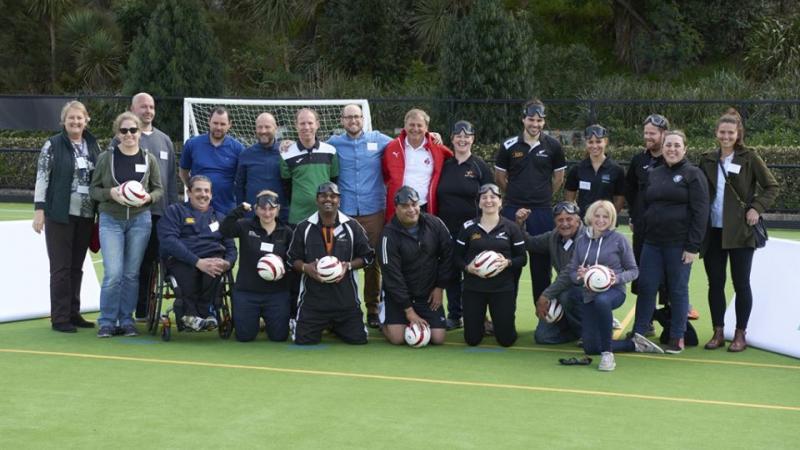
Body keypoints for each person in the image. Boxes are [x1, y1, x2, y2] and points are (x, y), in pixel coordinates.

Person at [699, 109, 779, 352]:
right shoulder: (707, 159)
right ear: (716, 133)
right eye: (722, 132)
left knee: (741, 283)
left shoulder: (750, 157)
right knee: (715, 283)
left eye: (730, 132)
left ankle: (740, 334)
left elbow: (771, 187)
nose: (726, 136)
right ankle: (718, 331)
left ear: (738, 133)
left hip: (741, 232)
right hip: (712, 231)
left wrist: (756, 208)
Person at [633, 131, 709, 354]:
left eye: (677, 145)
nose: (672, 149)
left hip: (679, 245)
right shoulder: (655, 174)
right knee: (646, 287)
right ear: (663, 147)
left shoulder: (693, 174)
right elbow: (647, 206)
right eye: (668, 145)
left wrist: (693, 246)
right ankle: (639, 334)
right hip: (652, 243)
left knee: (677, 290)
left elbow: (701, 212)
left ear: (685, 148)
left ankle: (677, 336)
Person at [90, 112, 163, 338]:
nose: (129, 134)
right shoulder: (106, 158)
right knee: (113, 273)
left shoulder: (148, 158)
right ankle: (107, 321)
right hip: (111, 219)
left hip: (140, 221)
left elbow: (158, 189)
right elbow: (93, 190)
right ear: (117, 134)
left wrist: (148, 198)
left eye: (133, 130)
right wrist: (110, 192)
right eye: (124, 131)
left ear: (140, 133)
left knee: (131, 274)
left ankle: (126, 319)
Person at [565, 200, 661, 372]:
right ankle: (634, 344)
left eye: (606, 216)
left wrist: (613, 278)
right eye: (597, 215)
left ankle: (608, 355)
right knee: (590, 348)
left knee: (602, 301)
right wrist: (581, 276)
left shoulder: (619, 240)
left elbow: (633, 271)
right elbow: (572, 272)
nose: (601, 220)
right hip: (589, 294)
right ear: (590, 217)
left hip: (614, 291)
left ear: (611, 219)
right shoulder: (581, 241)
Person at [109, 92, 179, 322]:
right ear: (132, 109)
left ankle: (145, 310)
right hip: (131, 214)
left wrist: (173, 211)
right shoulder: (123, 138)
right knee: (129, 266)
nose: (148, 110)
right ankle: (123, 312)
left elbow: (169, 181)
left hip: (159, 213)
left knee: (151, 263)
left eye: (151, 106)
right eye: (143, 107)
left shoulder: (165, 140)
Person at [33, 100, 102, 333]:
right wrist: (39, 211)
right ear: (64, 121)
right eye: (71, 118)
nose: (75, 122)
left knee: (76, 267)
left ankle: (74, 312)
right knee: (61, 268)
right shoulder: (52, 145)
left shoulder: (93, 145)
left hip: (85, 215)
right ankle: (60, 317)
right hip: (59, 214)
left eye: (79, 118)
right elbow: (43, 177)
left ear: (86, 120)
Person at [495, 99, 566, 306]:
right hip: (512, 209)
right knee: (509, 263)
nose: (535, 124)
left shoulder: (553, 145)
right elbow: (500, 178)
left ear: (544, 122)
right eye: (531, 119)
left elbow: (559, 178)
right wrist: (515, 196)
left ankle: (543, 314)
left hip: (542, 212)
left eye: (539, 120)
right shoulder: (508, 145)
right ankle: (506, 313)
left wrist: (542, 197)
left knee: (541, 266)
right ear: (523, 119)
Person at [327, 104, 393, 328]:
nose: (353, 120)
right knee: (343, 260)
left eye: (356, 116)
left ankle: (373, 309)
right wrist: (286, 144)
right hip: (344, 212)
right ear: (342, 120)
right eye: (348, 117)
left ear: (363, 118)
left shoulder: (380, 139)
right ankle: (345, 307)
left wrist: (432, 136)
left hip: (373, 210)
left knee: (372, 260)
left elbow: (405, 144)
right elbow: (311, 146)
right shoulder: (333, 143)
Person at [288, 182, 374, 345]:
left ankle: (335, 325)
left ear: (339, 200)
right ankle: (316, 323)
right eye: (323, 196)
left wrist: (346, 266)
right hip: (313, 302)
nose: (328, 199)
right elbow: (292, 259)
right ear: (317, 200)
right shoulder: (303, 227)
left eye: (333, 196)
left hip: (345, 302)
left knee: (359, 340)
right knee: (303, 340)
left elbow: (368, 256)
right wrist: (307, 268)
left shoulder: (352, 226)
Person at [625, 114, 689, 326]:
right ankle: (647, 322)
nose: (648, 137)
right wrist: (634, 216)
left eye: (652, 133)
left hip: (670, 234)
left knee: (671, 283)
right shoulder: (638, 160)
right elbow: (631, 191)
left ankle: (672, 323)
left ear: (664, 134)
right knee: (644, 279)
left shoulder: (673, 160)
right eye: (646, 133)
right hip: (644, 230)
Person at [158, 175, 238, 332]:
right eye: (198, 190)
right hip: (183, 258)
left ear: (211, 194)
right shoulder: (175, 211)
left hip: (212, 258)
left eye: (207, 191)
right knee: (189, 270)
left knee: (214, 268)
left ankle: (202, 314)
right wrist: (197, 262)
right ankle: (190, 314)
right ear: (189, 192)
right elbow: (168, 240)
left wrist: (227, 263)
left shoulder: (220, 218)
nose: (203, 194)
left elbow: (231, 248)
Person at [435, 120, 493, 330]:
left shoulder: (479, 166)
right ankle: (455, 315)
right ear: (452, 138)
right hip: (446, 229)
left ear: (472, 139)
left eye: (466, 136)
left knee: (475, 272)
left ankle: (480, 316)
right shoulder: (444, 163)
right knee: (451, 273)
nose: (462, 139)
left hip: (472, 231)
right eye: (458, 136)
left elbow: (491, 197)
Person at [378, 186, 453, 346]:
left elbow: (448, 254)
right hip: (398, 297)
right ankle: (383, 319)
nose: (411, 210)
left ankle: (412, 318)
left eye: (414, 205)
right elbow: (392, 276)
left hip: (427, 294)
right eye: (405, 206)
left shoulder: (435, 224)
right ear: (396, 208)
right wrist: (409, 311)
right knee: (397, 339)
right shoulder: (387, 236)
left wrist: (440, 287)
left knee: (438, 338)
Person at [454, 184, 527, 347]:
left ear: (500, 202)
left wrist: (507, 262)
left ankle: (500, 324)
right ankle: (482, 323)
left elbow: (522, 259)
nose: (489, 201)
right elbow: (456, 257)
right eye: (484, 197)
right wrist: (468, 268)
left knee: (506, 340)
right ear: (479, 203)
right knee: (472, 340)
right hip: (474, 288)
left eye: (493, 197)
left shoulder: (511, 228)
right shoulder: (468, 227)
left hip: (502, 289)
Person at [221, 191, 293, 342]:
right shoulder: (245, 226)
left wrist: (282, 269)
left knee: (279, 337)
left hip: (276, 293)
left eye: (271, 208)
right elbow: (225, 230)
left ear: (278, 209)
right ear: (256, 209)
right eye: (263, 208)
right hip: (247, 292)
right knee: (245, 337)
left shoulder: (286, 232)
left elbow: (293, 260)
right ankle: (254, 320)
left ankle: (268, 319)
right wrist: (239, 210)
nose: (267, 213)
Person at [516, 202, 584, 344]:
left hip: (585, 292)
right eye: (560, 220)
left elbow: (569, 273)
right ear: (554, 222)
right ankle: (576, 331)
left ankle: (589, 331)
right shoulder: (553, 237)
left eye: (569, 219)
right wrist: (520, 224)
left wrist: (545, 296)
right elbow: (529, 243)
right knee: (543, 337)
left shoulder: (586, 239)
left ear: (578, 220)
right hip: (562, 290)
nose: (564, 224)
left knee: (567, 296)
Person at [382, 108, 453, 222]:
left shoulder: (437, 148)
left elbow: (454, 160)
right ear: (405, 126)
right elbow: (385, 174)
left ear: (426, 128)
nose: (415, 129)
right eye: (411, 125)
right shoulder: (392, 147)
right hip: (400, 208)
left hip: (425, 207)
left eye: (419, 125)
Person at [179, 106, 245, 215]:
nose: (218, 127)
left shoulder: (238, 148)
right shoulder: (192, 144)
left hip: (226, 208)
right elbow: (183, 172)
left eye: (222, 124)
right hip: (198, 207)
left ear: (230, 124)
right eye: (215, 123)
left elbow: (243, 178)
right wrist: (194, 189)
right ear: (209, 122)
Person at [280, 108, 339, 225]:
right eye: (302, 123)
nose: (306, 127)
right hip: (298, 217)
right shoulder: (286, 154)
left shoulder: (330, 151)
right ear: (296, 125)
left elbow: (334, 181)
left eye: (310, 123)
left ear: (317, 124)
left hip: (325, 216)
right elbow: (287, 187)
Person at [235, 112, 289, 222]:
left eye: (267, 127)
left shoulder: (286, 152)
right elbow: (239, 187)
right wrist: (241, 213)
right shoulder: (246, 154)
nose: (263, 131)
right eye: (260, 127)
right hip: (252, 218)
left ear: (275, 128)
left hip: (281, 217)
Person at [564, 125, 625, 217]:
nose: (594, 146)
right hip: (584, 224)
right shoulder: (577, 169)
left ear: (606, 142)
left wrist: (609, 218)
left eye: (598, 142)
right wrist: (576, 216)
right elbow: (569, 197)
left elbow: (620, 199)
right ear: (586, 143)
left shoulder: (616, 170)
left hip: (606, 225)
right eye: (590, 142)